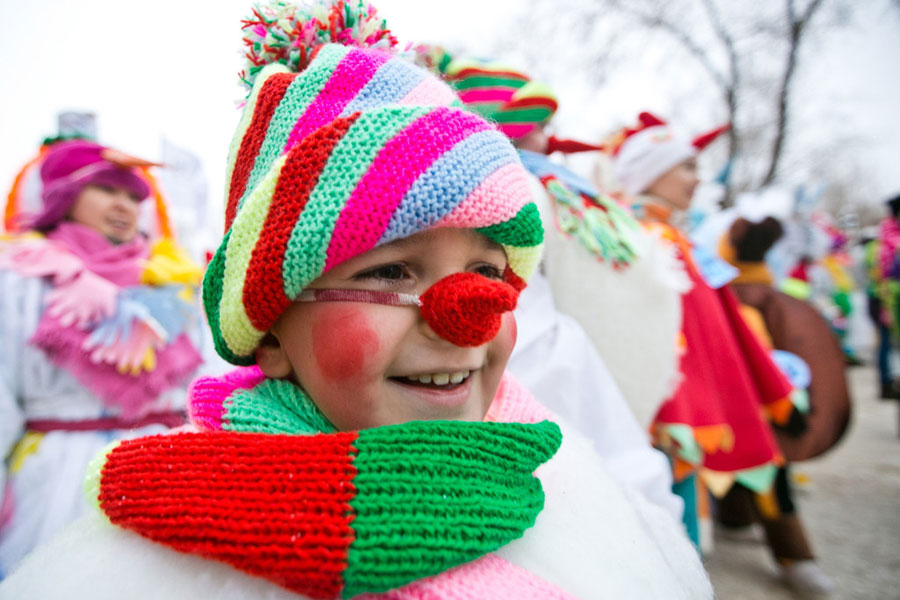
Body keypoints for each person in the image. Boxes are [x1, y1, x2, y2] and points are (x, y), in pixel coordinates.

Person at [0, 2, 712, 598]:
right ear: (270, 332)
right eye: (392, 272)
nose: (465, 319)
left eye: (489, 273)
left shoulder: (567, 481)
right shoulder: (138, 569)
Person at [417, 51, 684, 520]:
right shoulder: (527, 186)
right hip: (552, 367)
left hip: (564, 364)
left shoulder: (558, 187)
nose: (551, 134)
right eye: (541, 122)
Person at [0, 137, 206, 577]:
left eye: (133, 195)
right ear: (65, 195)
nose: (124, 205)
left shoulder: (173, 281)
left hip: (169, 474)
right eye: (107, 190)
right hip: (57, 487)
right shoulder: (18, 280)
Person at [608, 112, 793, 558]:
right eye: (686, 167)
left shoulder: (672, 236)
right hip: (664, 408)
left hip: (683, 404)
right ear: (652, 172)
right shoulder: (643, 236)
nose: (697, 178)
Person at [717, 212, 846, 594]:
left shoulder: (746, 299)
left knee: (768, 476)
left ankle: (794, 555)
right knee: (742, 468)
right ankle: (739, 521)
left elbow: (764, 362)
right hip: (747, 405)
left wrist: (782, 406)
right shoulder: (759, 295)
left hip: (759, 407)